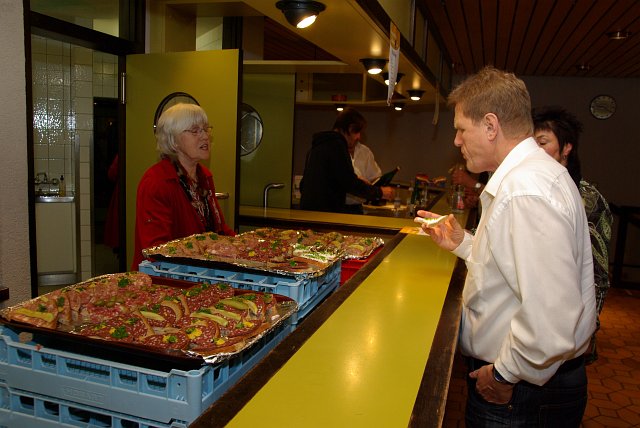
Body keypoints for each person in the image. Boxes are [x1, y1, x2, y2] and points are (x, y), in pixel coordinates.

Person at [416, 66, 596, 427]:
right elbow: (511, 267)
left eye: (461, 129)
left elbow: (551, 316)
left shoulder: (525, 190)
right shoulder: (532, 176)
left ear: (490, 126)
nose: (456, 141)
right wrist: (463, 243)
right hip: (531, 382)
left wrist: (504, 374)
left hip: (523, 389)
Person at [532, 105, 613, 364]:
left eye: (542, 142)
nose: (535, 150)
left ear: (566, 148)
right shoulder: (533, 188)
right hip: (535, 325)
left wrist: (587, 331)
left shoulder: (587, 199)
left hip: (568, 337)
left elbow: (597, 275)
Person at [131, 103, 235, 270]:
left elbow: (219, 231)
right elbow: (156, 250)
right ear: (174, 141)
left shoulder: (204, 176)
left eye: (206, 129)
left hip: (201, 272)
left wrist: (245, 246)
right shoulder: (157, 182)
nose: (205, 136)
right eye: (195, 131)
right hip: (166, 276)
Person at [300, 107, 393, 213]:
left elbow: (303, 185)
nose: (359, 137)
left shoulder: (316, 146)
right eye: (357, 132)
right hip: (326, 213)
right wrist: (380, 192)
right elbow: (350, 183)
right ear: (350, 128)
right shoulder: (337, 145)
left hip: (308, 211)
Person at [345, 139, 382, 210]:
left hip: (358, 207)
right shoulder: (335, 151)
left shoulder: (365, 151)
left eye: (358, 133)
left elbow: (375, 177)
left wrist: (378, 189)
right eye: (354, 133)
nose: (358, 137)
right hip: (336, 207)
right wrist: (358, 180)